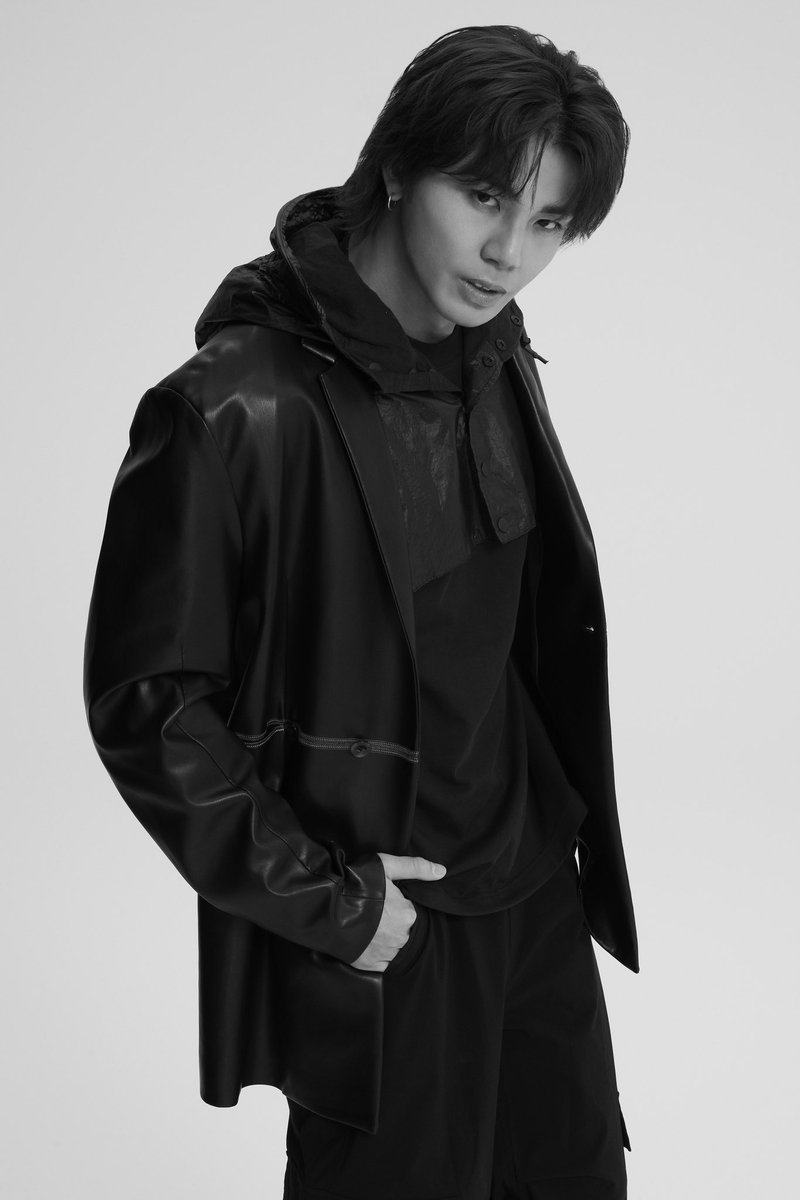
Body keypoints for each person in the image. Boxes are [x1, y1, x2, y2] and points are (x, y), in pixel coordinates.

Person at [84, 24, 638, 1200]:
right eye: (482, 197)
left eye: (547, 222)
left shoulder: (493, 349)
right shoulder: (230, 408)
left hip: (531, 883)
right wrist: (329, 902)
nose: (508, 254)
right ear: (394, 166)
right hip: (389, 912)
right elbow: (147, 703)